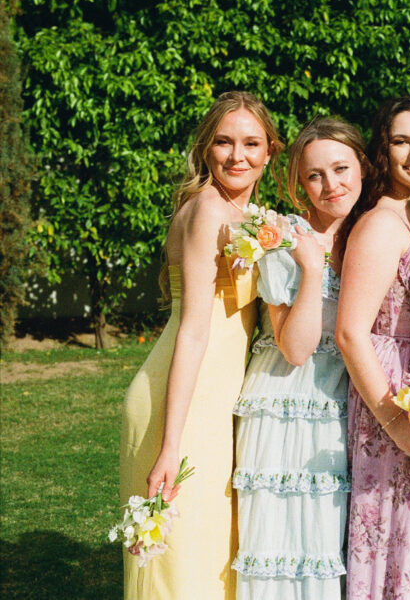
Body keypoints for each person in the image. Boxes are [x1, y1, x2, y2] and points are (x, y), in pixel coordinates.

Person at [120, 91, 283, 599]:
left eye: (251, 143)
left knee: (211, 551)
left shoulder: (250, 212)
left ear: (271, 151)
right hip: (181, 402)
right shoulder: (208, 211)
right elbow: (193, 327)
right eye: (224, 142)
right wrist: (172, 445)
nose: (238, 156)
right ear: (206, 148)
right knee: (186, 564)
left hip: (217, 402)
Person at [232, 117, 367, 599]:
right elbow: (295, 347)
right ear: (298, 183)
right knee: (286, 546)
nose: (331, 185)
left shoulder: (372, 229)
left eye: (341, 168)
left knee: (328, 546)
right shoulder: (283, 236)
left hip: (340, 403)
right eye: (315, 175)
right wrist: (311, 268)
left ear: (363, 167)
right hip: (288, 403)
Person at [336, 97, 410, 600]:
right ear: (383, 148)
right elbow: (350, 333)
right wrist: (393, 419)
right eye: (402, 141)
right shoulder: (383, 223)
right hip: (390, 393)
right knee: (394, 530)